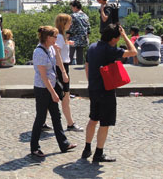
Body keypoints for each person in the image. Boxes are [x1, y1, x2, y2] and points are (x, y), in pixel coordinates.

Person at [82, 24, 136, 162]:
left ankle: (87, 149)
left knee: (93, 119)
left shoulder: (92, 47)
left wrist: (91, 82)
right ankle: (98, 153)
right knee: (104, 123)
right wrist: (125, 35)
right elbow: (133, 52)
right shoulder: (110, 50)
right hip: (106, 90)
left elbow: (87, 66)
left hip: (93, 88)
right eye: (117, 38)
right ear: (113, 39)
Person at [30, 26, 77, 157]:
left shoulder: (50, 48)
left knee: (56, 116)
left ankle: (64, 143)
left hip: (51, 85)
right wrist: (53, 93)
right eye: (54, 36)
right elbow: (43, 76)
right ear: (47, 37)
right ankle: (34, 147)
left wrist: (57, 55)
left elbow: (56, 62)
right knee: (40, 118)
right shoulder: (39, 52)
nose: (56, 39)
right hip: (43, 88)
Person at [55, 13, 83, 132]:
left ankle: (42, 121)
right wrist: (63, 72)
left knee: (53, 96)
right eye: (69, 22)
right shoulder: (60, 37)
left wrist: (67, 43)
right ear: (64, 23)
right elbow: (57, 54)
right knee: (65, 96)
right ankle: (70, 123)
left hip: (60, 67)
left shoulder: (59, 36)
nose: (71, 24)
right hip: (62, 67)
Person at [68, 0, 90, 65]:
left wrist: (66, 37)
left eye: (72, 7)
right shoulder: (85, 16)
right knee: (80, 55)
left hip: (74, 38)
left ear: (75, 7)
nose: (71, 9)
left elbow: (70, 28)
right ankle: (79, 70)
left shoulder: (73, 16)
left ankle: (68, 69)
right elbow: (88, 28)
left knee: (70, 55)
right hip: (83, 38)